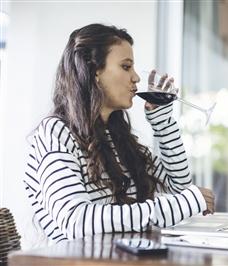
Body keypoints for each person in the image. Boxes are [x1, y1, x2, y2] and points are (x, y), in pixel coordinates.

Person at [23, 23, 215, 243]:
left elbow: (179, 188)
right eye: (126, 67)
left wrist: (162, 123)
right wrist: (181, 204)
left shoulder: (117, 137)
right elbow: (76, 221)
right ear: (94, 72)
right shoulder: (56, 133)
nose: (136, 78)